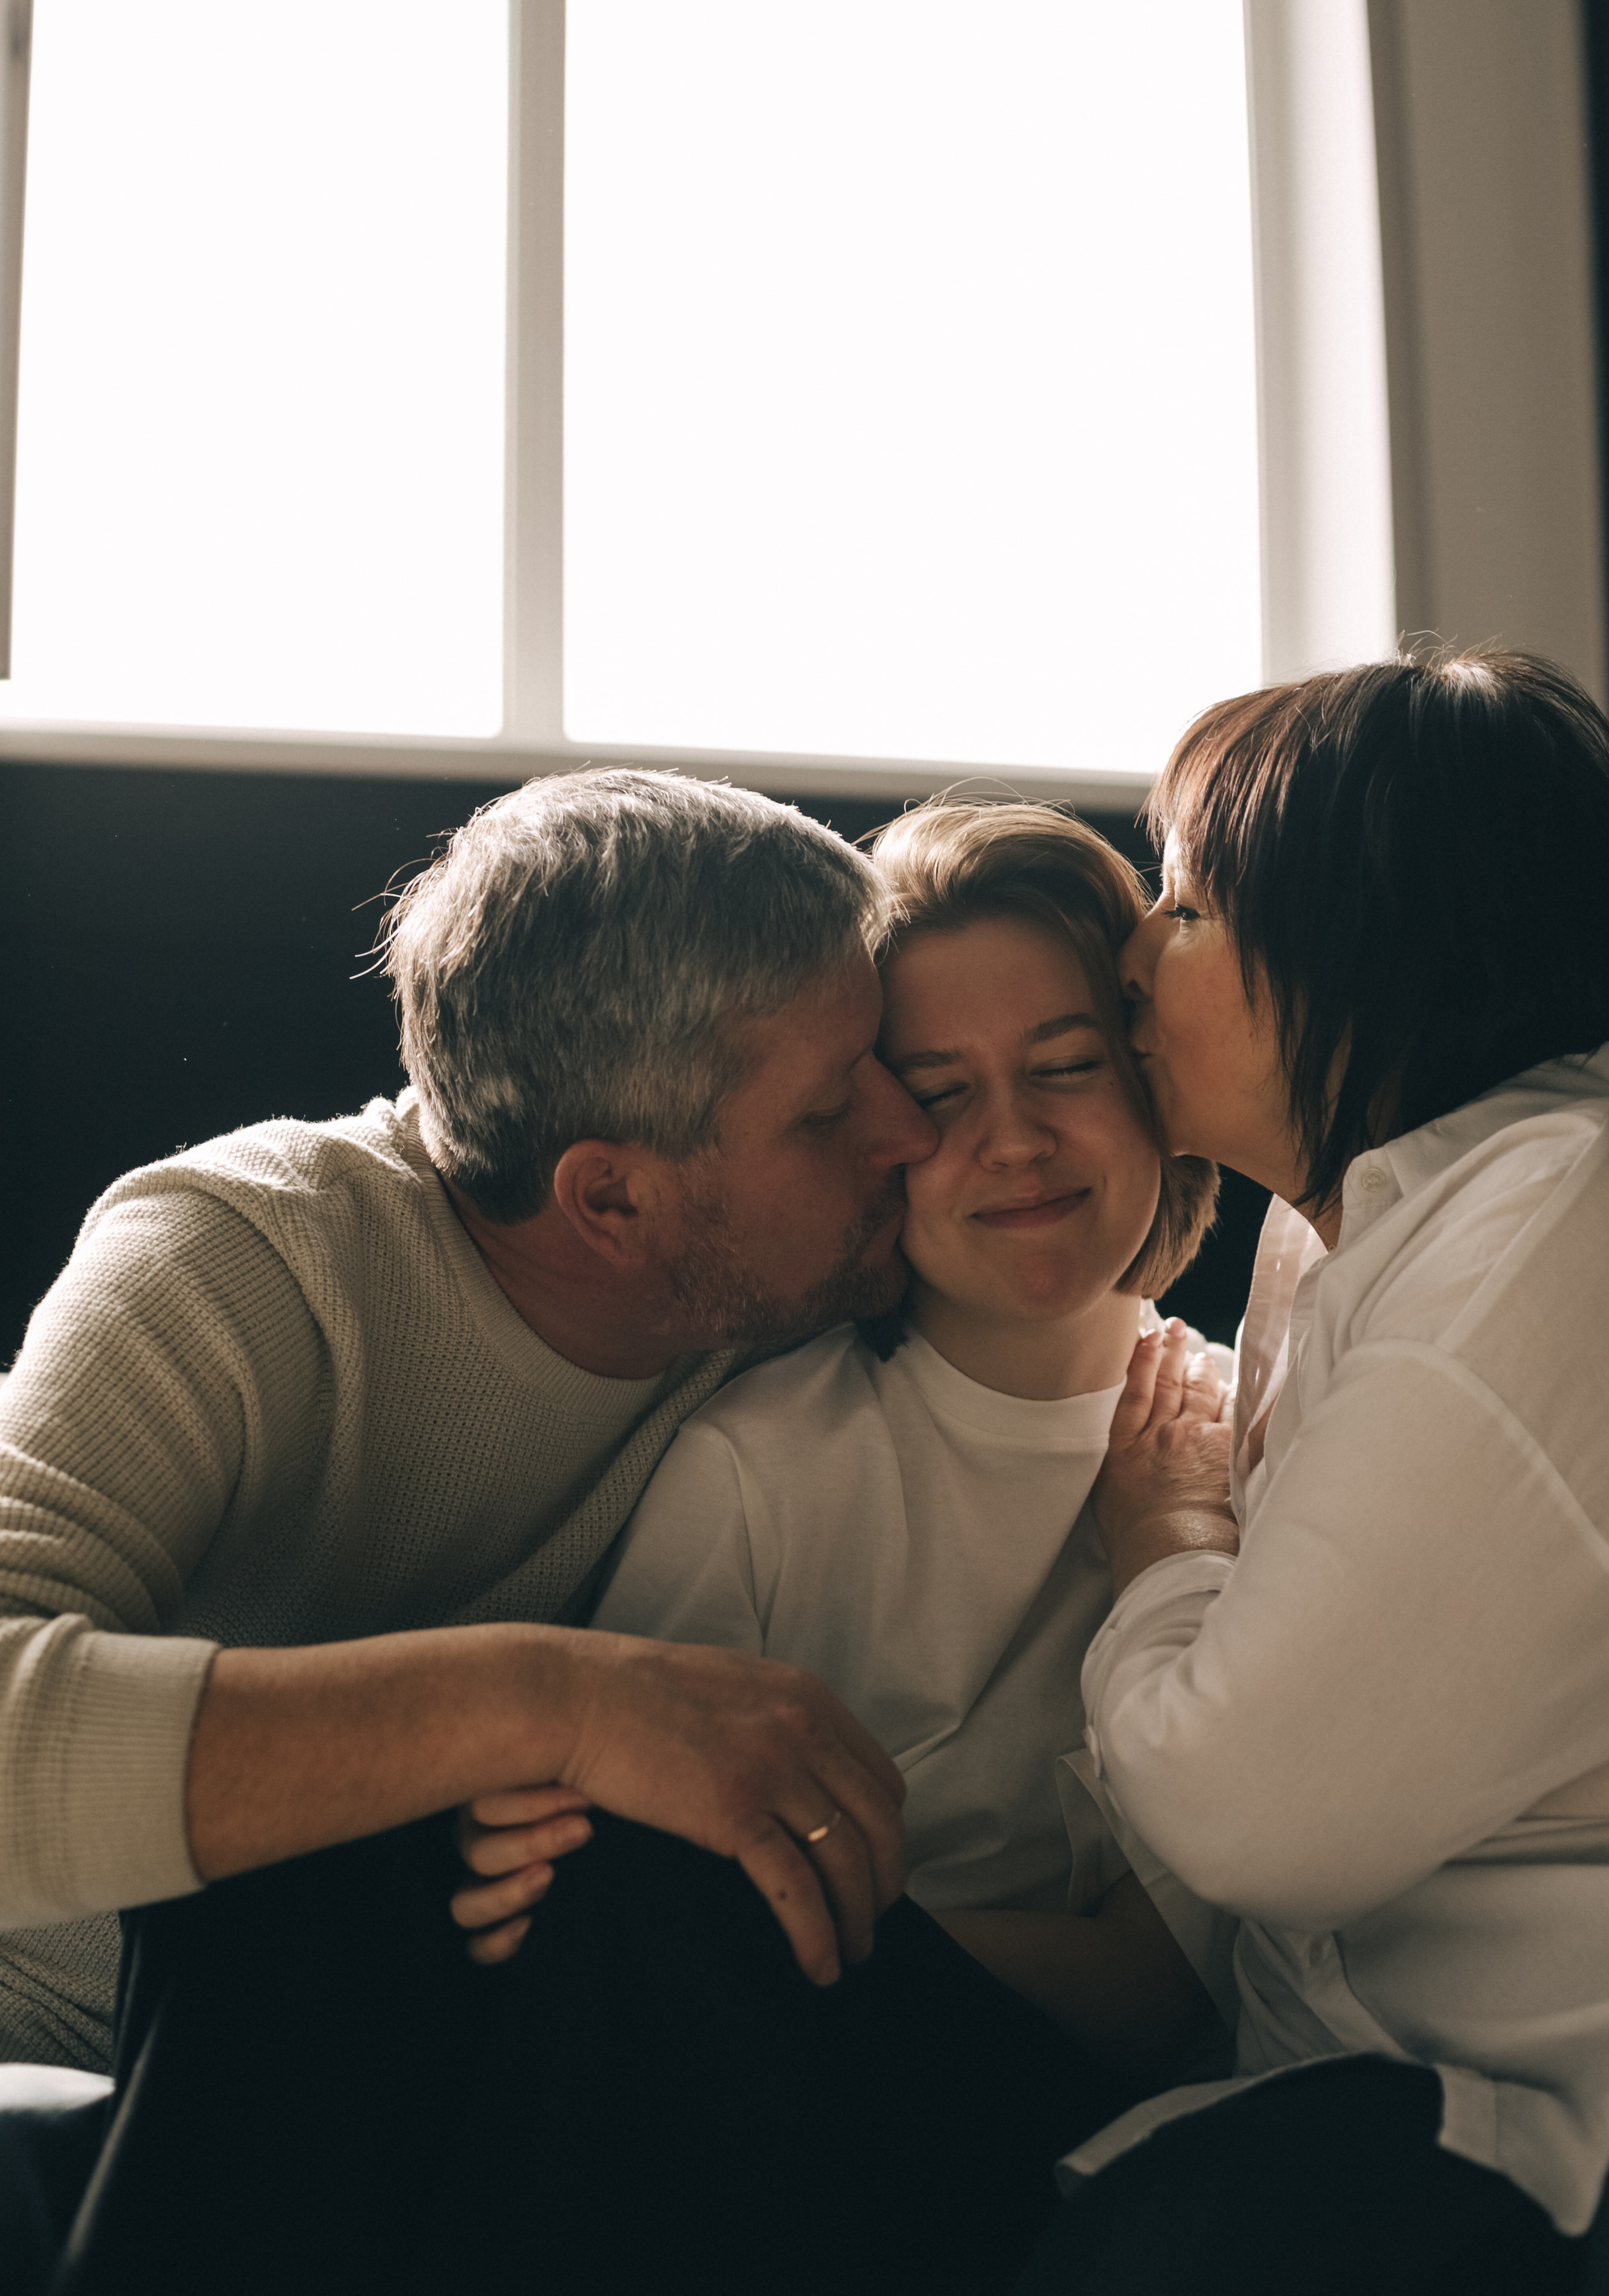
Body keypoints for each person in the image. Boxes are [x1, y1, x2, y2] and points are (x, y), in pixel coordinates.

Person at [0, 769, 930, 2273]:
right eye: (829, 1110)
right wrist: (553, 1702)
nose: (906, 1128)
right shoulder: (241, 1260)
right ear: (610, 1204)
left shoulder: (789, 1288)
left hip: (443, 2072)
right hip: (54, 2054)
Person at [1016, 651, 1609, 2295]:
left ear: (1367, 942)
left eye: (1186, 908)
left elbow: (1240, 1808)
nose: (1130, 960)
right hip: (1423, 2086)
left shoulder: (1547, 1236)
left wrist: (1169, 1536)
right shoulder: (1355, 1227)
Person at [462, 800, 1229, 2070]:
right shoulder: (755, 1472)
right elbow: (646, 1949)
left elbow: (1185, 1984)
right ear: (866, 1134)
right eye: (938, 1092)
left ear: (1154, 1074)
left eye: (1067, 1065)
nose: (1015, 1141)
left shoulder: (1258, 1432)